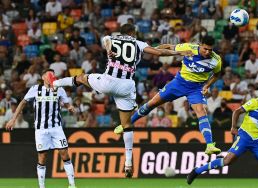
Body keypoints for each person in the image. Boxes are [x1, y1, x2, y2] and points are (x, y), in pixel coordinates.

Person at [50, 23, 190, 177]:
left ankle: (55, 83)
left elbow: (106, 41)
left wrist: (109, 49)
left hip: (108, 81)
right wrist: (180, 53)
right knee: (127, 125)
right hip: (126, 86)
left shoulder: (112, 38)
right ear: (132, 33)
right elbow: (157, 52)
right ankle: (129, 163)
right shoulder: (138, 43)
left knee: (82, 78)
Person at [130, 36, 222, 155]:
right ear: (200, 45)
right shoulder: (189, 48)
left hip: (196, 88)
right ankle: (127, 123)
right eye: (205, 49)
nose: (208, 52)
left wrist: (207, 85)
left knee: (201, 111)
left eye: (210, 50)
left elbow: (216, 75)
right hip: (178, 83)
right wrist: (154, 49)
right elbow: (168, 46)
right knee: (152, 103)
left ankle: (209, 145)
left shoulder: (216, 60)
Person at [187, 83, 258, 188]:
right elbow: (237, 111)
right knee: (227, 161)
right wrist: (233, 127)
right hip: (244, 136)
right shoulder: (255, 102)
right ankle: (197, 171)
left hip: (256, 141)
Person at [5, 69, 77, 188]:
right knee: (42, 157)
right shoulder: (35, 89)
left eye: (53, 75)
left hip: (56, 127)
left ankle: (72, 184)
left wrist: (70, 107)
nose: (51, 76)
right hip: (41, 129)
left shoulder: (59, 89)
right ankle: (42, 186)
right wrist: (13, 119)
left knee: (64, 153)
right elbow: (23, 103)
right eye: (49, 74)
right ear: (43, 77)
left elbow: (66, 102)